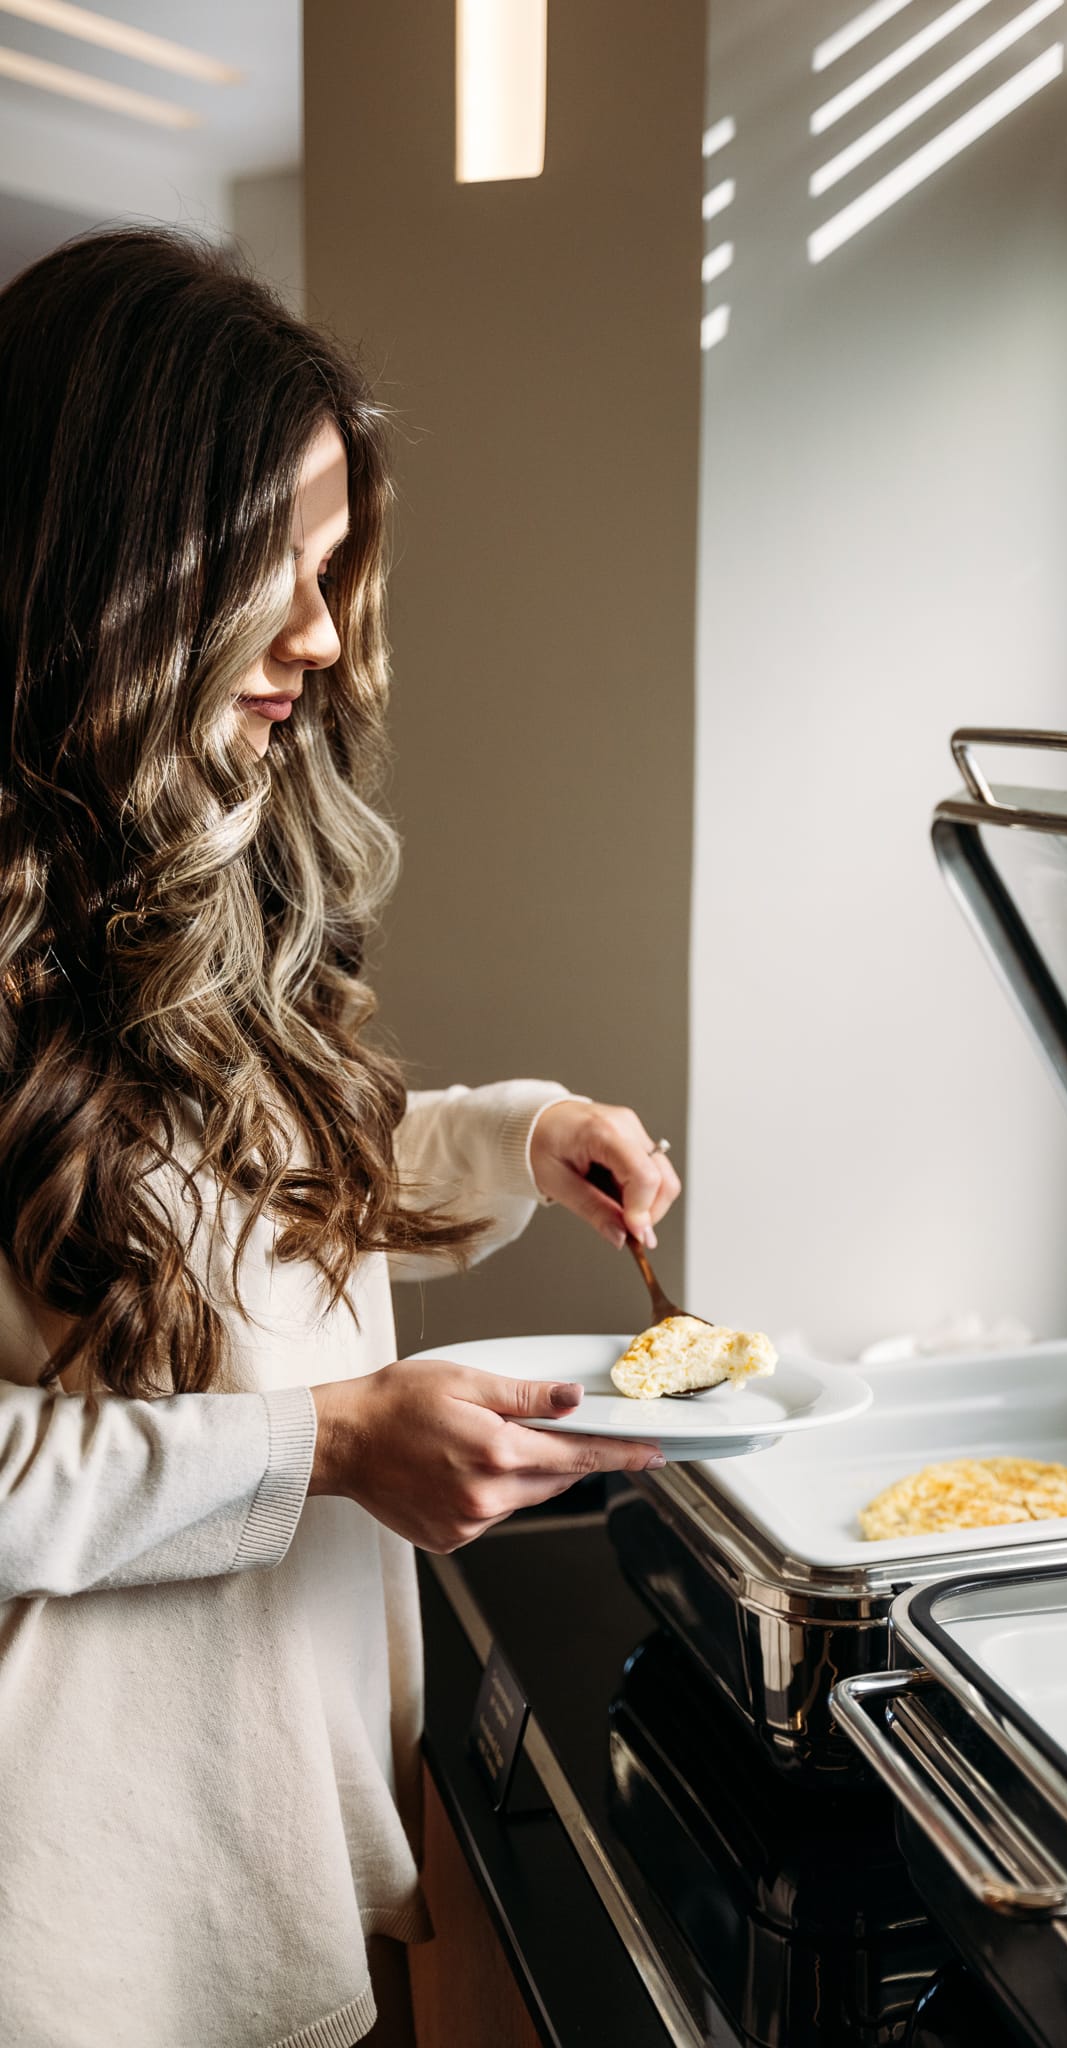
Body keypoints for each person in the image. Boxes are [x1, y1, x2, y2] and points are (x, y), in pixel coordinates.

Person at [0, 226, 682, 2048]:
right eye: (272, 572)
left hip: (276, 1838)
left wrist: (524, 1137)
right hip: (63, 1923)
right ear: (109, 553)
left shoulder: (174, 861)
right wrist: (322, 1451)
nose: (320, 634)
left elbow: (237, 1197)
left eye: (331, 571)